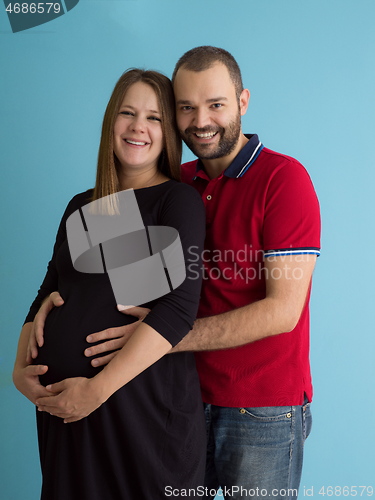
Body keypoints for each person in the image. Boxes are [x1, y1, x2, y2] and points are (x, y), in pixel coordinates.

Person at [27, 47, 321, 499]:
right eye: (186, 107)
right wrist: (55, 300)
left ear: (243, 102)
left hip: (259, 407)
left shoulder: (284, 180)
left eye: (216, 104)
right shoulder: (174, 182)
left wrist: (156, 336)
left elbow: (282, 312)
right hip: (179, 395)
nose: (201, 120)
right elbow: (95, 276)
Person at [13, 68, 207, 500]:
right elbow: (48, 290)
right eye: (128, 113)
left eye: (154, 117)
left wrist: (96, 390)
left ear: (168, 132)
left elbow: (178, 310)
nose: (139, 126)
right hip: (66, 414)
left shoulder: (176, 201)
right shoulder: (82, 205)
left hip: (141, 414)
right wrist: (16, 372)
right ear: (110, 123)